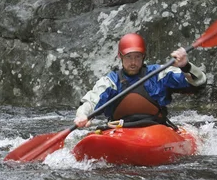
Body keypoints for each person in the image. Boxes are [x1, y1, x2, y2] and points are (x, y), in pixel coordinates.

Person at [74, 33, 207, 128]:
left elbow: (199, 82)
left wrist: (185, 66)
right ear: (120, 56)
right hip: (120, 130)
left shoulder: (159, 74)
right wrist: (82, 116)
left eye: (137, 57)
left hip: (156, 129)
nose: (133, 62)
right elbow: (90, 102)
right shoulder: (111, 82)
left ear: (143, 57)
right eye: (128, 57)